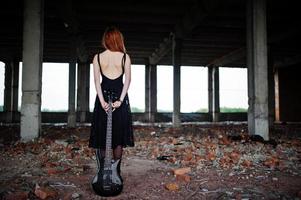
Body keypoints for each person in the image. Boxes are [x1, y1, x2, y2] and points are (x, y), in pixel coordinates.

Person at [89, 27, 134, 171]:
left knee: (102, 136)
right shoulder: (125, 57)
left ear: (106, 40)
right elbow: (127, 81)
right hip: (119, 98)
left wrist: (102, 102)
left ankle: (103, 171)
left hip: (103, 97)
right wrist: (120, 100)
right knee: (119, 137)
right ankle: (116, 173)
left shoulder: (97, 57)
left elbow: (96, 81)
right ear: (118, 39)